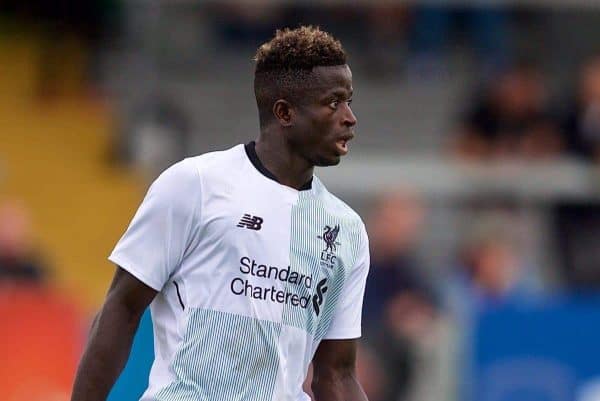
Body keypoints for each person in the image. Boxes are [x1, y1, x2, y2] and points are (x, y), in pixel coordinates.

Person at [71, 26, 370, 401]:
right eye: (333, 102)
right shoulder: (194, 185)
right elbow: (123, 307)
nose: (349, 117)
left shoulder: (345, 230)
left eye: (349, 101)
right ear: (285, 112)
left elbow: (337, 374)